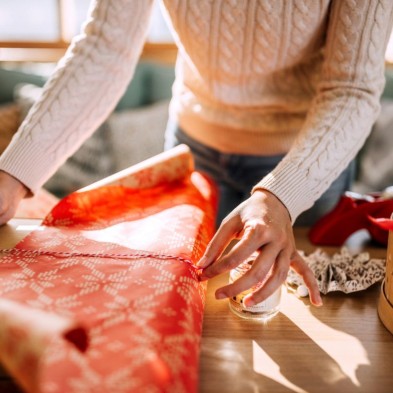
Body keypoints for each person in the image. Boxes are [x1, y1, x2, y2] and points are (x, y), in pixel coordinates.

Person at [0, 0, 392, 309]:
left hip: (303, 164)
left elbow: (352, 88)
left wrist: (282, 195)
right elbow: (105, 48)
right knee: (182, 300)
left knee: (297, 312)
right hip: (194, 148)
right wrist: (14, 172)